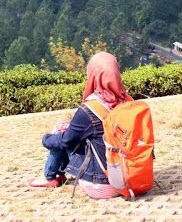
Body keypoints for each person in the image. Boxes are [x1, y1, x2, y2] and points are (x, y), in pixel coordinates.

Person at [27, 52, 132, 199]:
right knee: (72, 131)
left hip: (102, 185)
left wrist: (46, 139)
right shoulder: (128, 102)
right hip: (130, 179)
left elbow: (67, 140)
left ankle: (49, 177)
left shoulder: (91, 109)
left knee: (62, 132)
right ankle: (54, 175)